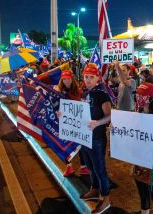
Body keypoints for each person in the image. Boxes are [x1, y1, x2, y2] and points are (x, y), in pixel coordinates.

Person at [78, 64, 112, 213]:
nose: (88, 80)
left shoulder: (102, 94)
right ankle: (94, 189)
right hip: (85, 137)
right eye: (86, 77)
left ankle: (105, 198)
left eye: (91, 77)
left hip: (97, 139)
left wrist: (98, 122)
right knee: (90, 167)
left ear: (98, 78)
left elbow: (110, 115)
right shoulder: (84, 94)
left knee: (99, 169)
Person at [132, 82, 153, 214]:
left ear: (151, 98)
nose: (139, 98)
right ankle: (144, 211)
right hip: (139, 159)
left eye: (143, 96)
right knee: (142, 190)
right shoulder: (138, 111)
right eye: (138, 95)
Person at [54, 70, 90, 177]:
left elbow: (82, 104)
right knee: (66, 143)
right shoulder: (58, 91)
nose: (66, 81)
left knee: (80, 143)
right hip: (65, 122)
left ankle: (83, 166)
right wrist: (58, 112)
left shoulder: (78, 90)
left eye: (68, 78)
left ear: (72, 79)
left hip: (77, 122)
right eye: (64, 79)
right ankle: (69, 166)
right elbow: (55, 105)